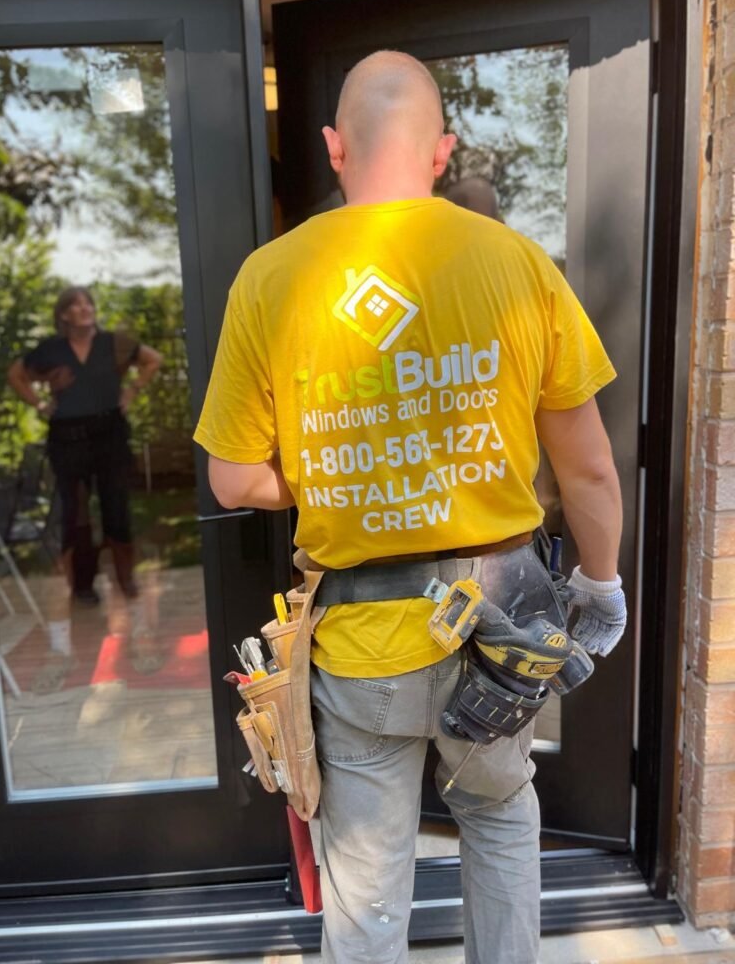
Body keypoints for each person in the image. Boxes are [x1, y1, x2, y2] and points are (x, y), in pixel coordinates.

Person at [194, 51, 626, 964]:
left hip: (361, 646)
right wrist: (602, 582)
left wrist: (339, 472)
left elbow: (233, 480)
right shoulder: (514, 262)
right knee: (501, 821)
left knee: (368, 873)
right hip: (502, 634)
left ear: (333, 147)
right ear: (442, 152)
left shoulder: (270, 278)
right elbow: (586, 471)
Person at [8, 286, 162, 606]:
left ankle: (125, 579)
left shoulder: (112, 343)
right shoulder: (51, 349)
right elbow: (16, 375)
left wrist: (131, 391)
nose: (84, 308)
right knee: (76, 514)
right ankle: (82, 587)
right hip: (67, 438)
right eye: (76, 305)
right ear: (64, 315)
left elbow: (152, 360)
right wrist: (39, 404)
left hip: (110, 434)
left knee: (116, 506)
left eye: (87, 303)